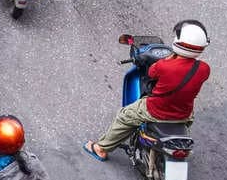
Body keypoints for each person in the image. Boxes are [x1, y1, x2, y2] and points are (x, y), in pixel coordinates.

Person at [83, 20, 211, 162]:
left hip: (156, 110)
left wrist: (170, 59)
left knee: (124, 116)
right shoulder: (204, 69)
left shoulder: (164, 66)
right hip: (184, 114)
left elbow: (151, 73)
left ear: (178, 42)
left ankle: (100, 149)